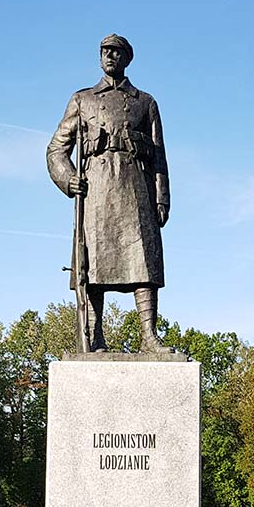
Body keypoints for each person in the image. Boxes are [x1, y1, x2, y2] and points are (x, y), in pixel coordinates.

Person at [47, 34, 169, 353]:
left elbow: (158, 157)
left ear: (127, 58)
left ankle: (149, 336)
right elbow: (56, 150)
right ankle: (93, 334)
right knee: (93, 264)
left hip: (135, 189)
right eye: (105, 51)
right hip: (96, 192)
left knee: (144, 261)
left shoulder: (145, 102)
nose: (110, 56)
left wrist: (161, 198)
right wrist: (68, 178)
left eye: (116, 52)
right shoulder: (82, 99)